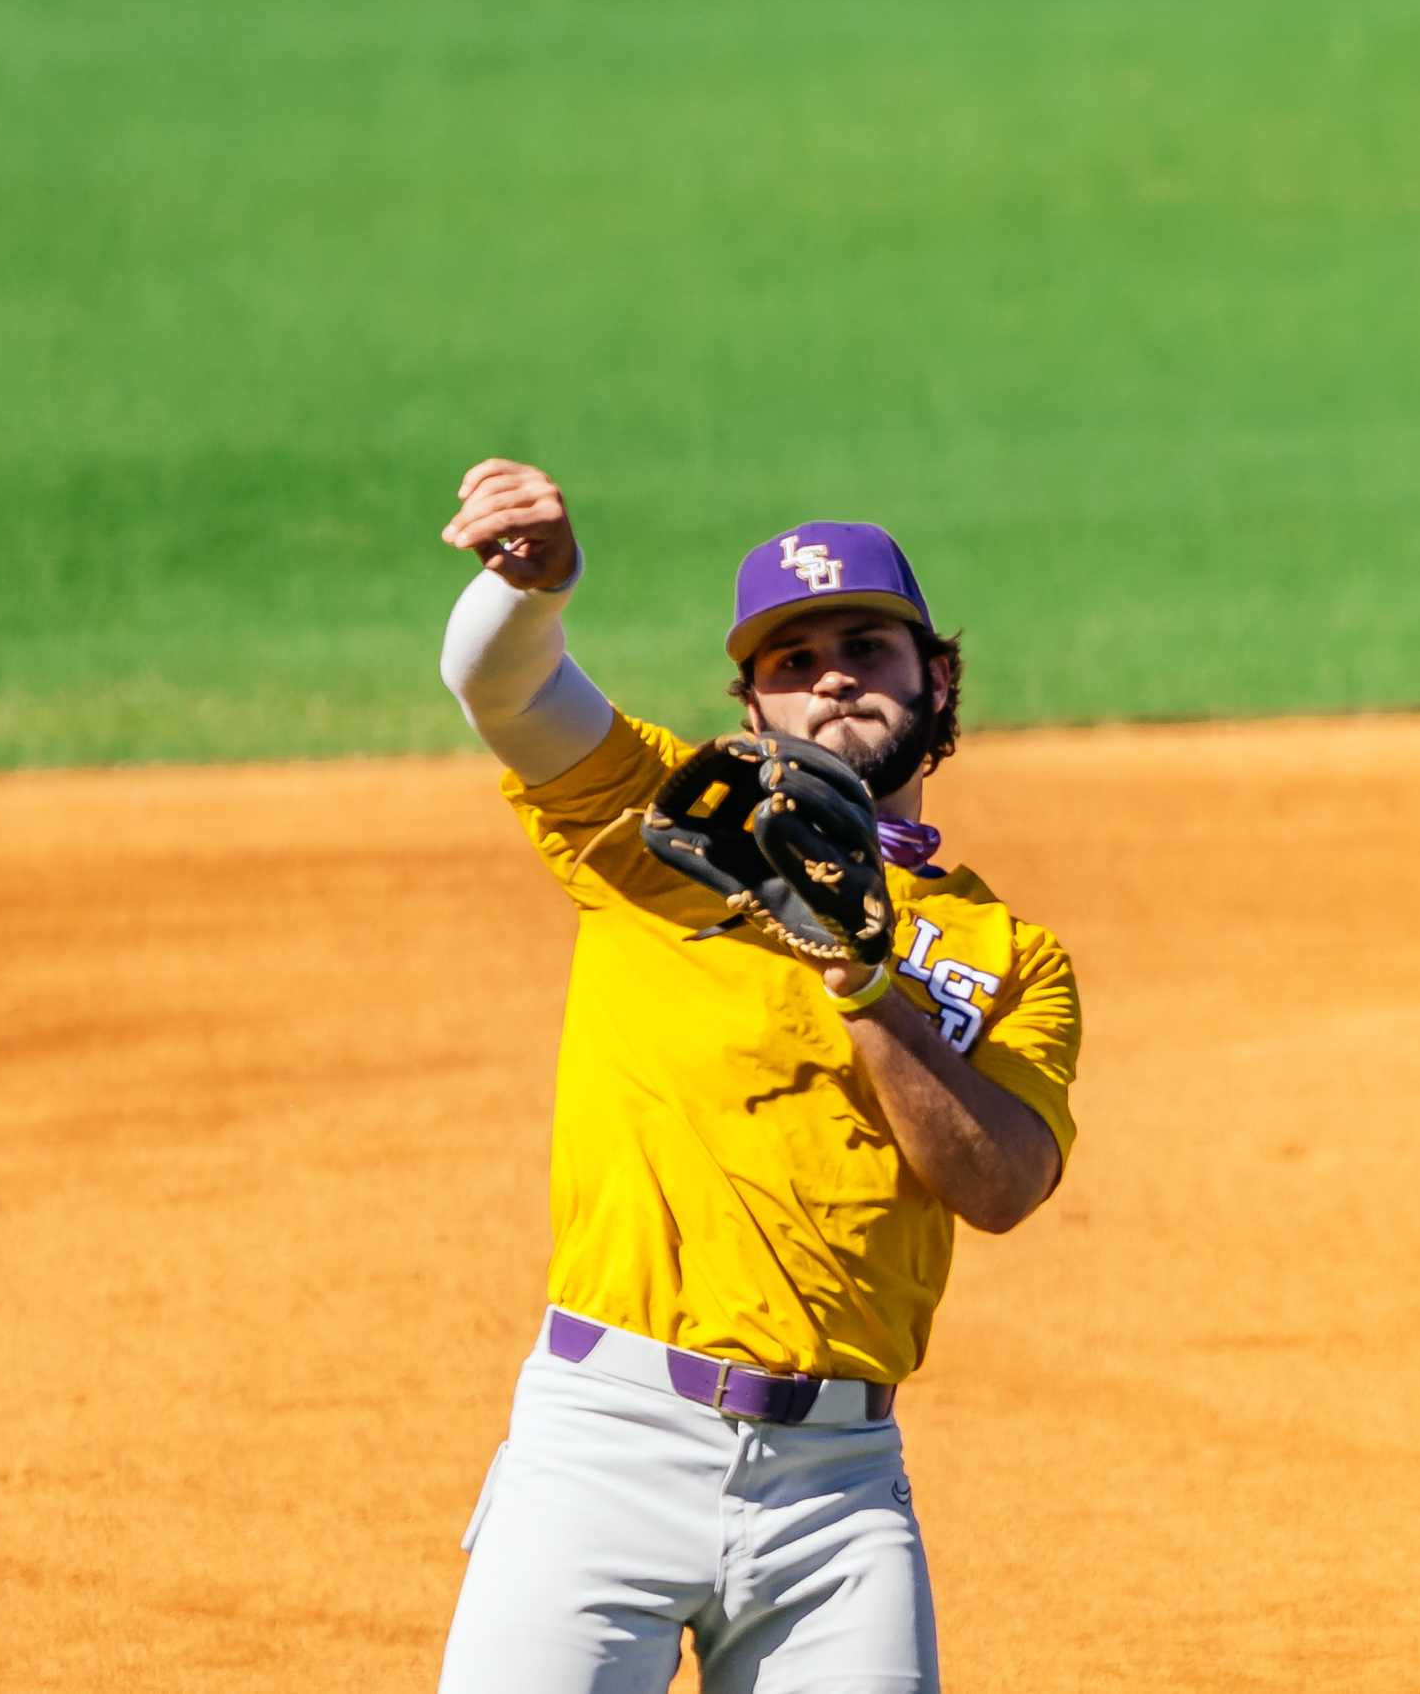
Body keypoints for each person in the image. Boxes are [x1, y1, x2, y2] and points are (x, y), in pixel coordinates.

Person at [434, 455, 1081, 1694]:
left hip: (836, 1496)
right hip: (603, 1447)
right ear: (749, 708)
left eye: (865, 645)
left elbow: (998, 1184)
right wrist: (533, 587)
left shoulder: (1013, 955)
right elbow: (500, 685)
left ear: (933, 676)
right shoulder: (659, 824)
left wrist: (864, 976)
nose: (833, 674)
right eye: (792, 660)